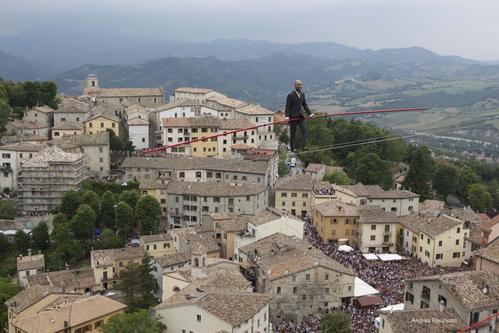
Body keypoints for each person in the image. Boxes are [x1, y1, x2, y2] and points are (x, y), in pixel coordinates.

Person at [285, 80, 314, 152]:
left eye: (301, 85)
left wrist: (310, 114)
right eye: (298, 84)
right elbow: (287, 107)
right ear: (295, 85)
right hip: (293, 117)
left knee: (304, 129)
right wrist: (287, 116)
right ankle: (292, 148)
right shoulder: (290, 95)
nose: (300, 86)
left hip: (301, 116)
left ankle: (303, 146)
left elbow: (305, 105)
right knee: (293, 133)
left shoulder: (302, 94)